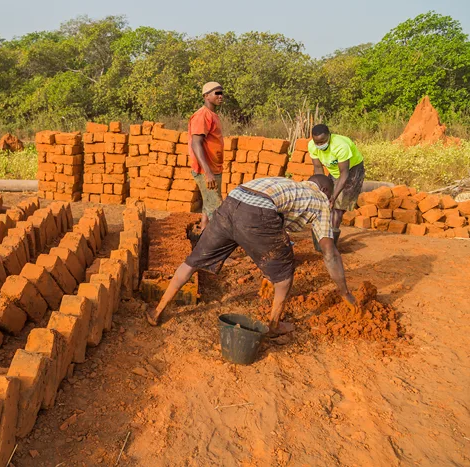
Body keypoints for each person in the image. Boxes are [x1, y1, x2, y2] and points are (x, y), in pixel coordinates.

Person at [145, 175, 356, 335]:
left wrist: (267, 267)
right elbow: (329, 250)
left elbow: (271, 232)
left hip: (232, 202)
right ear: (326, 190)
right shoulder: (320, 200)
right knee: (285, 274)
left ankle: (158, 310)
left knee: (193, 260)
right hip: (257, 212)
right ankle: (274, 325)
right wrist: (344, 291)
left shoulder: (285, 183)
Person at [308, 124, 365, 247]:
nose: (319, 145)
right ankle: (324, 233)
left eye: (322, 141)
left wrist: (333, 196)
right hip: (334, 171)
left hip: (352, 170)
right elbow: (318, 168)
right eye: (316, 142)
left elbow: (344, 174)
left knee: (338, 205)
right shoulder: (312, 146)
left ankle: (332, 240)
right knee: (326, 202)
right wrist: (321, 191)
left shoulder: (340, 146)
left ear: (329, 136)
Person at [189, 81, 225, 231]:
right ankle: (214, 251)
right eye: (217, 93)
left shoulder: (212, 115)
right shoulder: (202, 116)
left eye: (222, 92)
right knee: (219, 211)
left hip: (213, 168)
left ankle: (203, 232)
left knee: (209, 203)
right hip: (206, 171)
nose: (221, 96)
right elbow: (196, 144)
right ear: (206, 96)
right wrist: (208, 173)